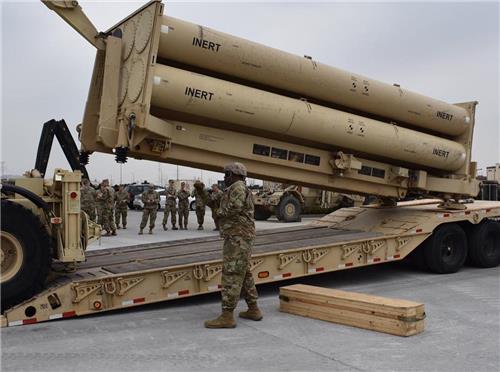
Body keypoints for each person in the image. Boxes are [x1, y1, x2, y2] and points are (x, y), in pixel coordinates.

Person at [204, 162, 262, 329]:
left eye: (226, 174)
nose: (224, 177)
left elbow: (233, 208)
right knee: (244, 273)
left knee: (232, 274)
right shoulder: (236, 188)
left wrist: (218, 213)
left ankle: (227, 315)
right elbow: (213, 201)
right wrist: (202, 192)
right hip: (240, 236)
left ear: (234, 175)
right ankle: (253, 308)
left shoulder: (237, 188)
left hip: (238, 237)